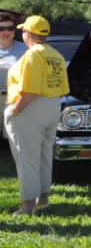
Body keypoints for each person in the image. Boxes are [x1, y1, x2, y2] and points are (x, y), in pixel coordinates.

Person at [4, 15, 69, 215]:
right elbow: (63, 87)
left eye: (23, 31)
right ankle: (43, 199)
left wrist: (15, 110)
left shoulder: (32, 55)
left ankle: (27, 206)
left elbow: (30, 90)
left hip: (30, 106)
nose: (22, 34)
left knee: (27, 157)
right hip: (52, 104)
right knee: (44, 154)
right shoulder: (55, 54)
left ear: (29, 33)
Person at [0, 12, 28, 142]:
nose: (6, 32)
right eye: (1, 28)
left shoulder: (25, 50)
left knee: (13, 138)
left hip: (15, 100)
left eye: (10, 28)